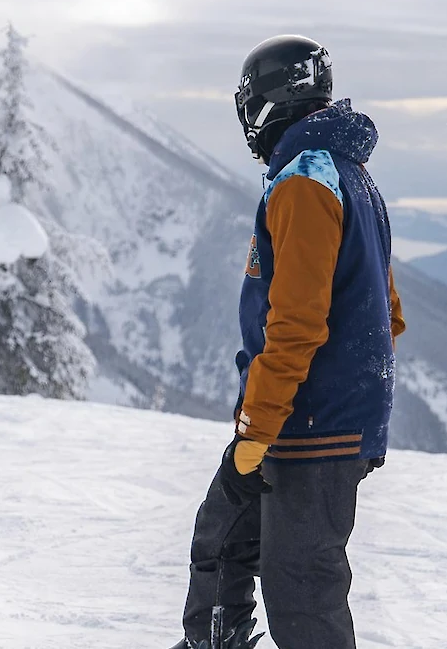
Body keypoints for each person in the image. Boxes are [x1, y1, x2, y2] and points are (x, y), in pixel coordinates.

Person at [173, 35, 405, 649]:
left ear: (274, 102)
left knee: (301, 591)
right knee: (223, 536)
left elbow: (298, 325)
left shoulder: (307, 182)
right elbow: (390, 311)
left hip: (310, 424)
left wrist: (260, 427)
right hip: (310, 417)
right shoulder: (345, 173)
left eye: (250, 105)